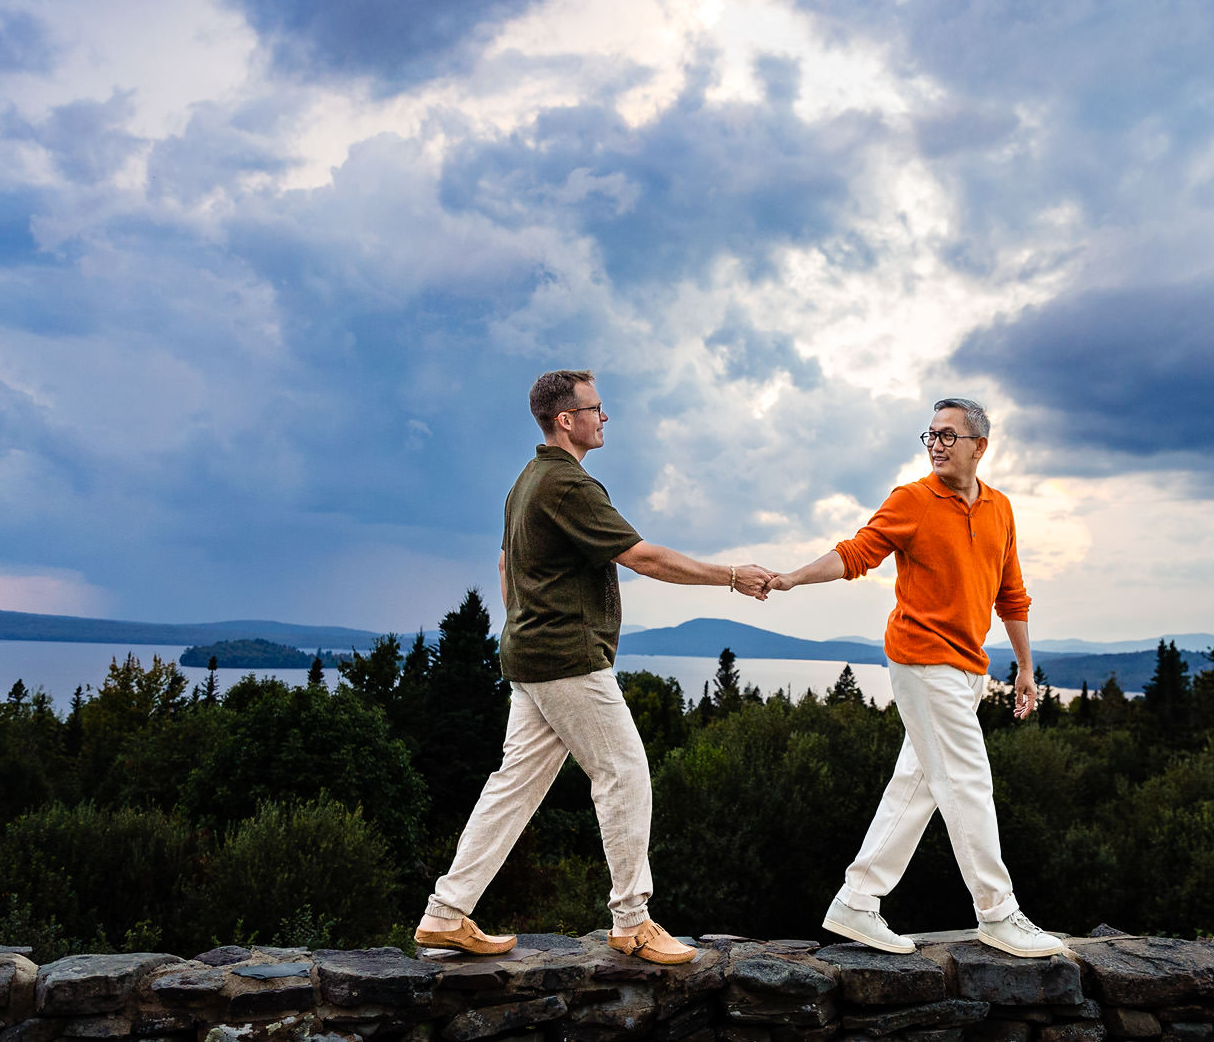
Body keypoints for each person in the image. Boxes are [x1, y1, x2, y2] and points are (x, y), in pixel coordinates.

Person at [414, 369, 774, 963]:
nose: (604, 417)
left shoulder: (526, 481)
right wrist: (731, 576)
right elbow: (644, 557)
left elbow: (506, 565)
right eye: (596, 408)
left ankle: (445, 913)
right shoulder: (568, 485)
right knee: (625, 774)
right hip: (568, 660)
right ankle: (632, 922)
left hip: (530, 658)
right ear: (566, 419)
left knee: (513, 787)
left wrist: (524, 626)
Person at [767, 397, 1063, 958]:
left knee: (918, 786)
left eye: (949, 435)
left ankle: (857, 901)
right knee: (969, 782)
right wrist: (794, 578)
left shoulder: (1000, 508)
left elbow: (1011, 594)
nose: (937, 445)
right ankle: (998, 913)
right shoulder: (913, 500)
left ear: (980, 445)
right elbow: (858, 552)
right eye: (930, 436)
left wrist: (1024, 668)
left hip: (968, 669)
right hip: (923, 662)